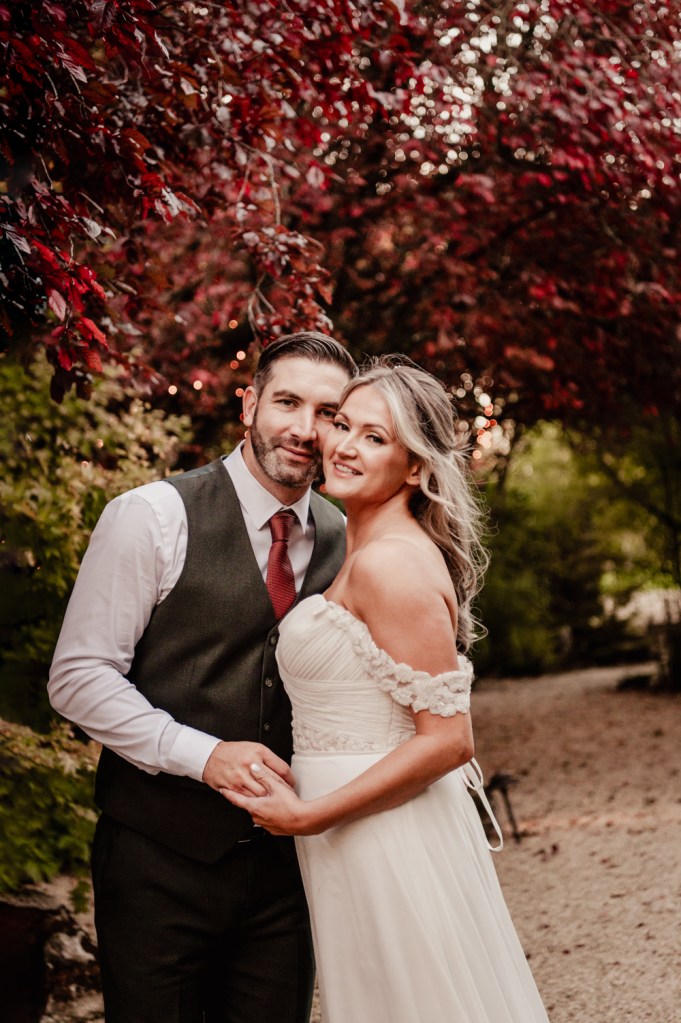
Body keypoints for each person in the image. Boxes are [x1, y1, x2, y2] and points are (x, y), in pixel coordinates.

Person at [224, 357, 551, 1022]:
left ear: (414, 467)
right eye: (342, 424)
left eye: (374, 437)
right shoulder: (361, 546)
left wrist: (310, 815)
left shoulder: (390, 564)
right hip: (353, 830)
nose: (343, 445)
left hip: (385, 833)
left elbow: (449, 740)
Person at [48, 332, 356, 1023]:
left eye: (328, 414)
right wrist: (204, 755)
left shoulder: (346, 535)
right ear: (248, 404)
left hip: (290, 871)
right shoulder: (150, 516)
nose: (305, 429)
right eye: (287, 402)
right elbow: (78, 676)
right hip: (158, 862)